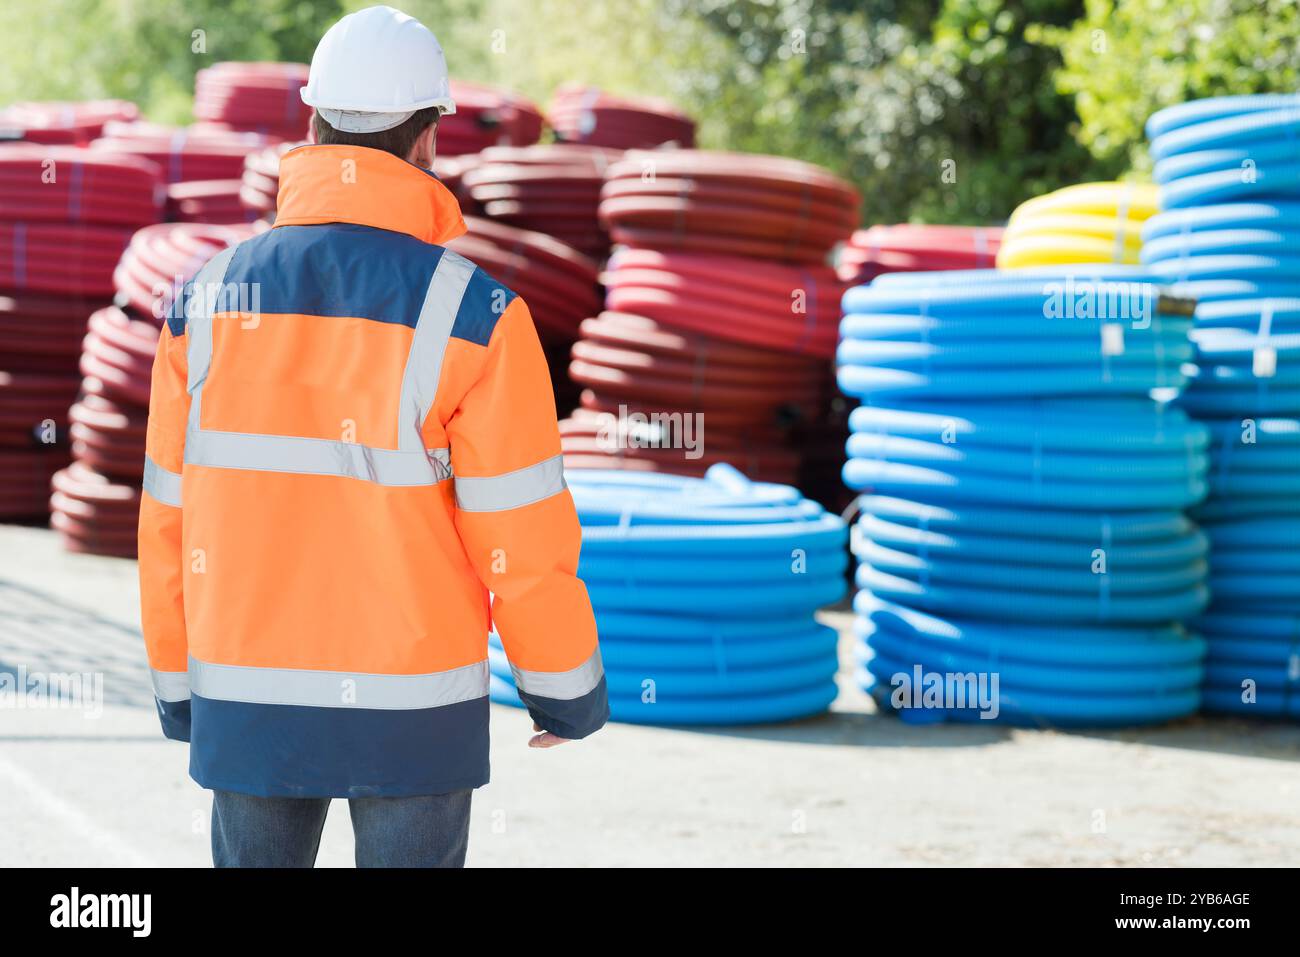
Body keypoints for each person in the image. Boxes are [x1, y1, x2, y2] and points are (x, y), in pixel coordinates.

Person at [137, 5, 608, 869]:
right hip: (412, 717)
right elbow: (521, 533)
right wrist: (562, 689)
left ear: (311, 125)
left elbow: (169, 520)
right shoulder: (476, 315)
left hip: (248, 702)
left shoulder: (201, 304)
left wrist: (178, 688)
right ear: (428, 140)